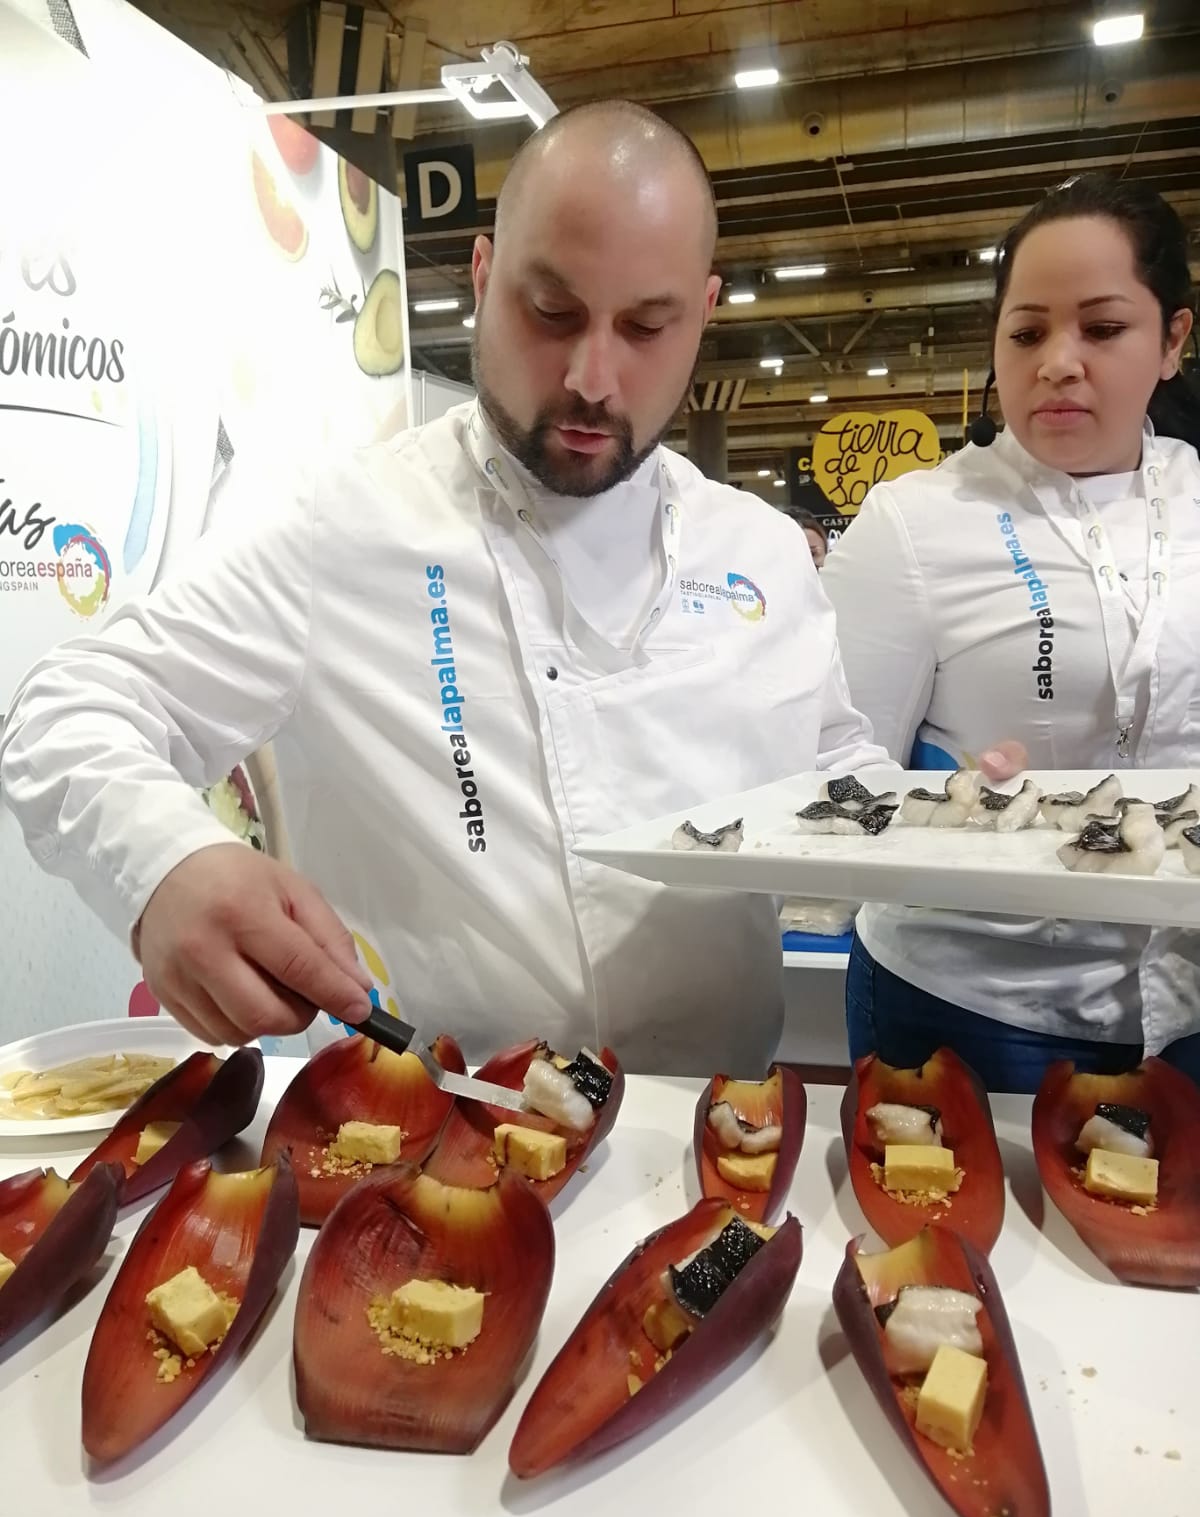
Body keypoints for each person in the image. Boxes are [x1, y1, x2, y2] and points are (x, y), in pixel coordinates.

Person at [0, 100, 888, 1075]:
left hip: (718, 1128)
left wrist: (976, 814)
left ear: (704, 313)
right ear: (481, 274)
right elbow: (68, 707)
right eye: (551, 312)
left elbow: (835, 769)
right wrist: (165, 863)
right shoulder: (342, 525)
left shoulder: (762, 552)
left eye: (646, 326)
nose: (594, 376)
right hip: (431, 1123)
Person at [822, 173, 1200, 1091]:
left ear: (1172, 340)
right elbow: (831, 757)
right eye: (1027, 333)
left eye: (1102, 329)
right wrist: (946, 808)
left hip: (1187, 997)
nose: (1059, 362)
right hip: (972, 997)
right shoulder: (917, 522)